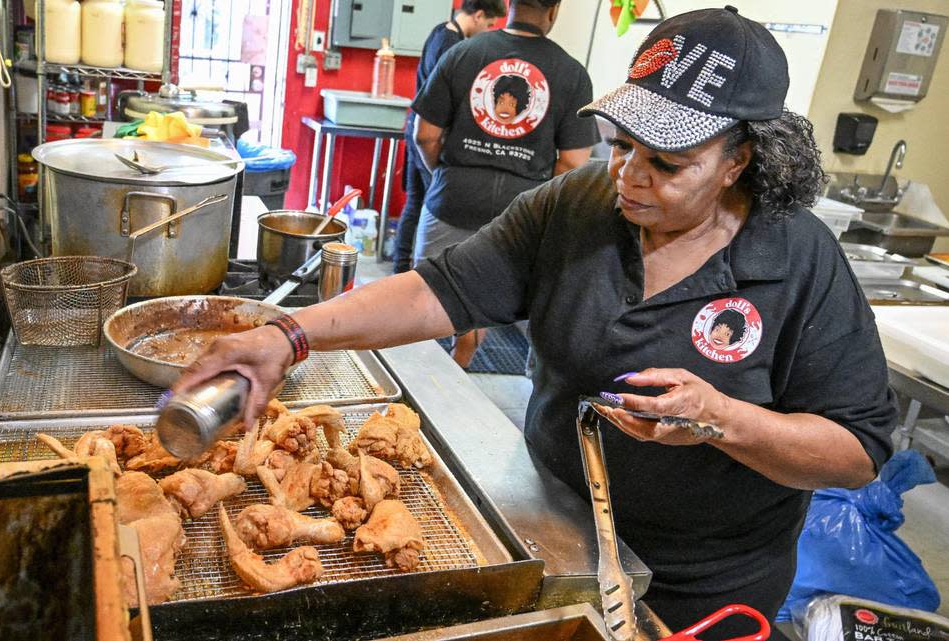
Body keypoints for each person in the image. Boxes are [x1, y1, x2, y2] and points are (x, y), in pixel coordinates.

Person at [174, 7, 897, 634]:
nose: (630, 176)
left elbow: (858, 449)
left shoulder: (798, 259)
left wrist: (722, 418)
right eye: (621, 145)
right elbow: (439, 289)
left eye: (668, 164)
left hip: (699, 584)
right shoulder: (579, 204)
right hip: (553, 526)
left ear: (740, 159)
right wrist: (289, 333)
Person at [411, 0, 599, 367]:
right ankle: (460, 362)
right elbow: (573, 163)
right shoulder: (573, 74)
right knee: (483, 291)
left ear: (510, 4)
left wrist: (445, 175)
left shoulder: (462, 53)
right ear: (554, 9)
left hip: (453, 195)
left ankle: (414, 375)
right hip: (521, 209)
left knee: (422, 293)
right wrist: (538, 201)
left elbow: (425, 136)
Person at [392, 0, 506, 276]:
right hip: (432, 135)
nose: (488, 31)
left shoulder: (439, 31)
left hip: (417, 126)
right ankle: (416, 274)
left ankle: (400, 269)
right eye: (489, 25)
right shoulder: (453, 47)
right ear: (479, 16)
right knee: (429, 203)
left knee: (415, 201)